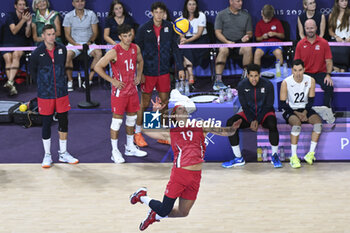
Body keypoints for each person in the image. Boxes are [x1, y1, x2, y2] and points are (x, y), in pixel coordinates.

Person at [129, 98, 242, 231]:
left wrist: (233, 128)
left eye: (184, 109)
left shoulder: (201, 127)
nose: (183, 111)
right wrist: (155, 112)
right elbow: (146, 130)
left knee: (183, 212)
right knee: (165, 209)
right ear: (175, 116)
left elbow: (225, 132)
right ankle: (142, 196)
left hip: (196, 176)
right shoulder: (171, 133)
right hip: (179, 175)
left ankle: (155, 216)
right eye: (179, 109)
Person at [134, 2, 185, 147]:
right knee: (144, 104)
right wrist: (140, 73)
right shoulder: (143, 29)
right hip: (148, 72)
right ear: (151, 13)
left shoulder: (169, 27)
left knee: (164, 103)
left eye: (160, 12)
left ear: (164, 14)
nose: (158, 15)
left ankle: (162, 134)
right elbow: (137, 52)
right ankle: (137, 134)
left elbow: (175, 49)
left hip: (163, 71)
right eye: (155, 12)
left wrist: (180, 67)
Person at [94, 24, 147, 163]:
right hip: (120, 92)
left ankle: (130, 147)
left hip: (132, 90)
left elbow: (141, 61)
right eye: (125, 36)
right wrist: (112, 80)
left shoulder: (136, 48)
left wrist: (139, 75)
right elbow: (97, 67)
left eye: (130, 35)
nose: (128, 38)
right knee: (117, 121)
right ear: (119, 37)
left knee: (131, 120)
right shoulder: (114, 51)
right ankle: (114, 151)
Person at [30, 24, 79, 168]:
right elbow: (32, 72)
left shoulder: (62, 49)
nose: (52, 37)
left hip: (62, 93)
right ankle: (47, 155)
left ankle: (63, 153)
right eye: (49, 34)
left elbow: (62, 67)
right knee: (46, 123)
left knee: (64, 121)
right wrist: (43, 84)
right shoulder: (37, 53)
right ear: (43, 36)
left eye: (53, 34)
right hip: (45, 94)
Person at [222, 63, 282, 168]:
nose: (254, 79)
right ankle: (238, 158)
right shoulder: (241, 85)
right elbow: (244, 106)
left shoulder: (268, 85)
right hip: (248, 113)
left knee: (272, 123)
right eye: (251, 76)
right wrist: (251, 120)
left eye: (256, 76)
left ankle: (275, 155)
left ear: (260, 75)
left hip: (265, 113)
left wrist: (257, 120)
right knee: (230, 123)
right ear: (247, 76)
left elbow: (269, 105)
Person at [280, 59, 322, 169]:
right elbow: (282, 104)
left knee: (318, 124)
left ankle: (310, 154)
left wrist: (304, 112)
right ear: (292, 71)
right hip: (290, 109)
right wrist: (297, 114)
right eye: (295, 70)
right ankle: (293, 157)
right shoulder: (286, 82)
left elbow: (311, 100)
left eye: (300, 70)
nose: (298, 73)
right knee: (297, 125)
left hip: (305, 109)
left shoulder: (310, 80)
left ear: (304, 70)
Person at [63, 0, 102, 91]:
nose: (80, 3)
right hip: (73, 44)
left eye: (82, 1)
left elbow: (95, 33)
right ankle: (70, 81)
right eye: (77, 1)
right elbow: (67, 35)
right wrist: (76, 45)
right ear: (73, 4)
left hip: (89, 43)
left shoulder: (91, 14)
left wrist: (89, 43)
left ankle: (89, 79)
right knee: (67, 54)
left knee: (99, 53)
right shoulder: (68, 16)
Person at [294, 19, 334, 110]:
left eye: (312, 28)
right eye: (308, 28)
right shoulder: (300, 44)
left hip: (320, 73)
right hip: (306, 73)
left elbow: (329, 61)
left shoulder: (324, 43)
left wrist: (328, 75)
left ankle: (326, 110)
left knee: (329, 86)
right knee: (297, 86)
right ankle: (301, 110)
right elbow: (297, 63)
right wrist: (298, 75)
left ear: (316, 28)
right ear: (304, 29)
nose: (310, 30)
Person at [214, 0, 253, 90]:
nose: (241, 3)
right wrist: (227, 42)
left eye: (241, 1)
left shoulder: (246, 15)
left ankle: (245, 78)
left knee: (248, 48)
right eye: (238, 1)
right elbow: (217, 32)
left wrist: (247, 36)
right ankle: (218, 81)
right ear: (231, 2)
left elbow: (250, 32)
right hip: (225, 43)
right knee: (223, 50)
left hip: (240, 43)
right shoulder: (221, 14)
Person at [2, 0, 32, 96]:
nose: (22, 6)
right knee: (8, 58)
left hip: (20, 44)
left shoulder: (27, 17)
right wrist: (23, 20)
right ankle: (11, 85)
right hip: (7, 43)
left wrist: (28, 24)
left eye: (24, 5)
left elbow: (28, 35)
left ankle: (10, 82)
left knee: (16, 55)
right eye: (20, 4)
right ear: (15, 6)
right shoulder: (9, 15)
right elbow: (14, 31)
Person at [179, 0, 209, 84]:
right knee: (184, 48)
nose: (191, 6)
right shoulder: (182, 17)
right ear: (186, 6)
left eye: (193, 4)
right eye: (190, 4)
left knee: (186, 47)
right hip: (187, 40)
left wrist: (186, 41)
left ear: (196, 6)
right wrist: (182, 39)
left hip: (201, 40)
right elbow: (181, 33)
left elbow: (199, 34)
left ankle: (189, 76)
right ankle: (190, 75)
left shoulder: (201, 15)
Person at [328, 0, 350, 72]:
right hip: (336, 41)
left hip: (347, 42)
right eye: (342, 1)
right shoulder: (332, 15)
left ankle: (343, 69)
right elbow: (330, 31)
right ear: (337, 2)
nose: (344, 3)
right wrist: (336, 37)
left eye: (346, 0)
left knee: (345, 51)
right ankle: (337, 68)